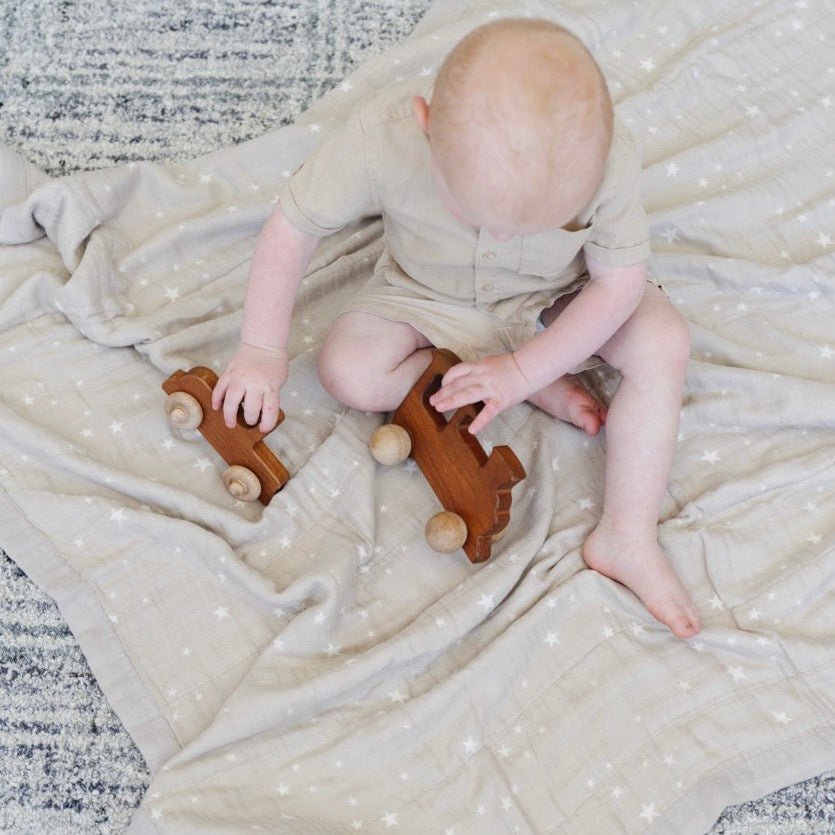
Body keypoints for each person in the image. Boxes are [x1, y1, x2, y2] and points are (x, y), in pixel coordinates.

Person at [212, 17, 701, 639]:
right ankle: (508, 378)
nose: (501, 236)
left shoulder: (607, 156)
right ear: (426, 122)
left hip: (559, 297)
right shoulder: (380, 137)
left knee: (665, 342)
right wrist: (260, 348)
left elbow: (617, 285)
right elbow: (294, 227)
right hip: (427, 294)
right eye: (476, 212)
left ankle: (627, 535)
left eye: (537, 221)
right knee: (346, 369)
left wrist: (526, 365)